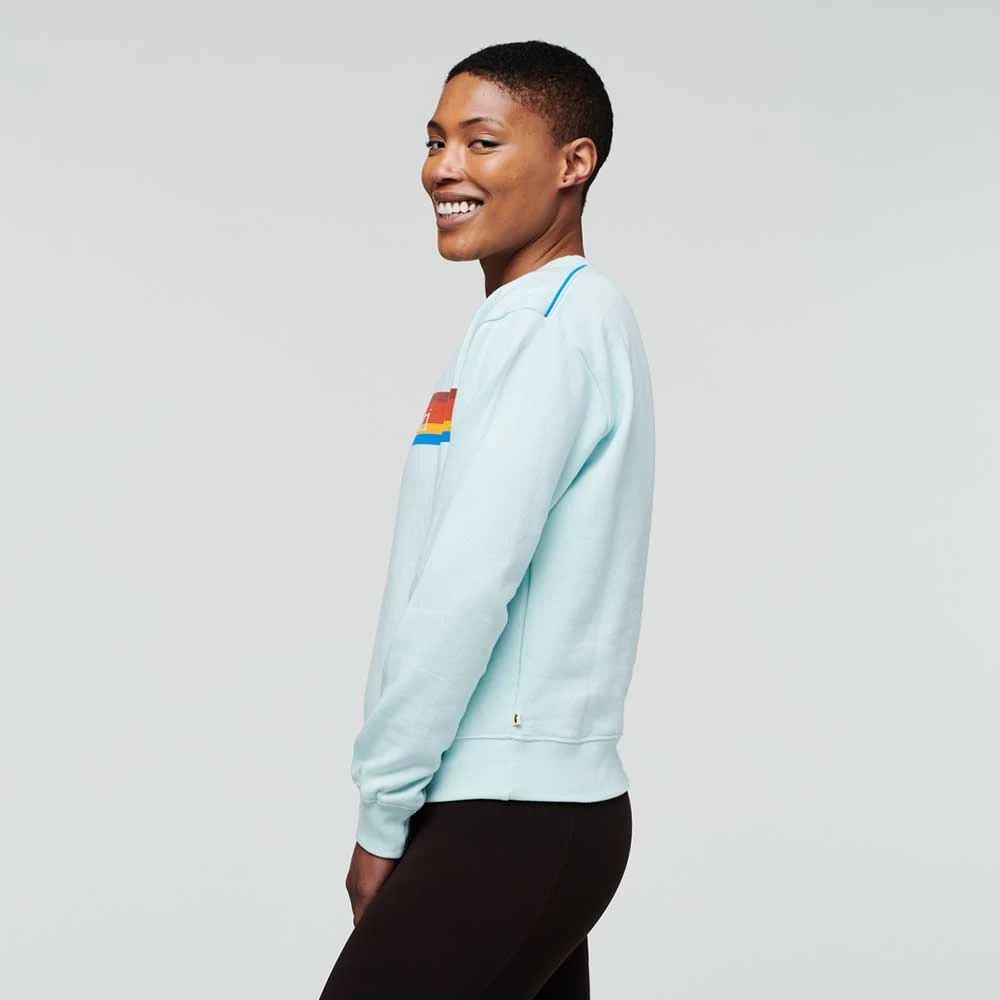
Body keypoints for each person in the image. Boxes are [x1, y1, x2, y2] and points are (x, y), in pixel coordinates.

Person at [318, 39, 656, 1000]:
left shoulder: (545, 328)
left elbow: (464, 589)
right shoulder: (549, 319)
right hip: (527, 808)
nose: (445, 168)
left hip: (510, 813)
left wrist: (383, 813)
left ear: (573, 163)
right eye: (435, 141)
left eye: (483, 141)